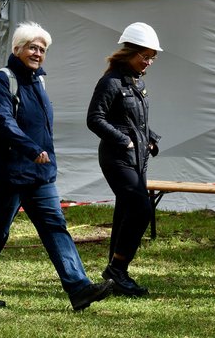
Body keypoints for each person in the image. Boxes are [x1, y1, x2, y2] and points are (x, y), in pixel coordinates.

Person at [0, 22, 114, 310]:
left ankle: (79, 288)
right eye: (32, 47)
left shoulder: (39, 81)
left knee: (56, 227)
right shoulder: (3, 79)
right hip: (9, 172)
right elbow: (4, 121)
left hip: (39, 174)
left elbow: (42, 128)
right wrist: (32, 150)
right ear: (17, 49)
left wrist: (44, 159)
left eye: (42, 49)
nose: (37, 53)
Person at [86, 22, 161, 296]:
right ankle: (117, 268)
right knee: (141, 209)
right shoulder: (110, 82)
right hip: (117, 157)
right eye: (145, 56)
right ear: (129, 52)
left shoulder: (137, 82)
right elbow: (94, 119)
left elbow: (134, 120)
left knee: (126, 212)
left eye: (153, 57)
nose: (149, 62)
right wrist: (124, 140)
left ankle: (116, 275)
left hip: (138, 158)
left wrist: (150, 137)